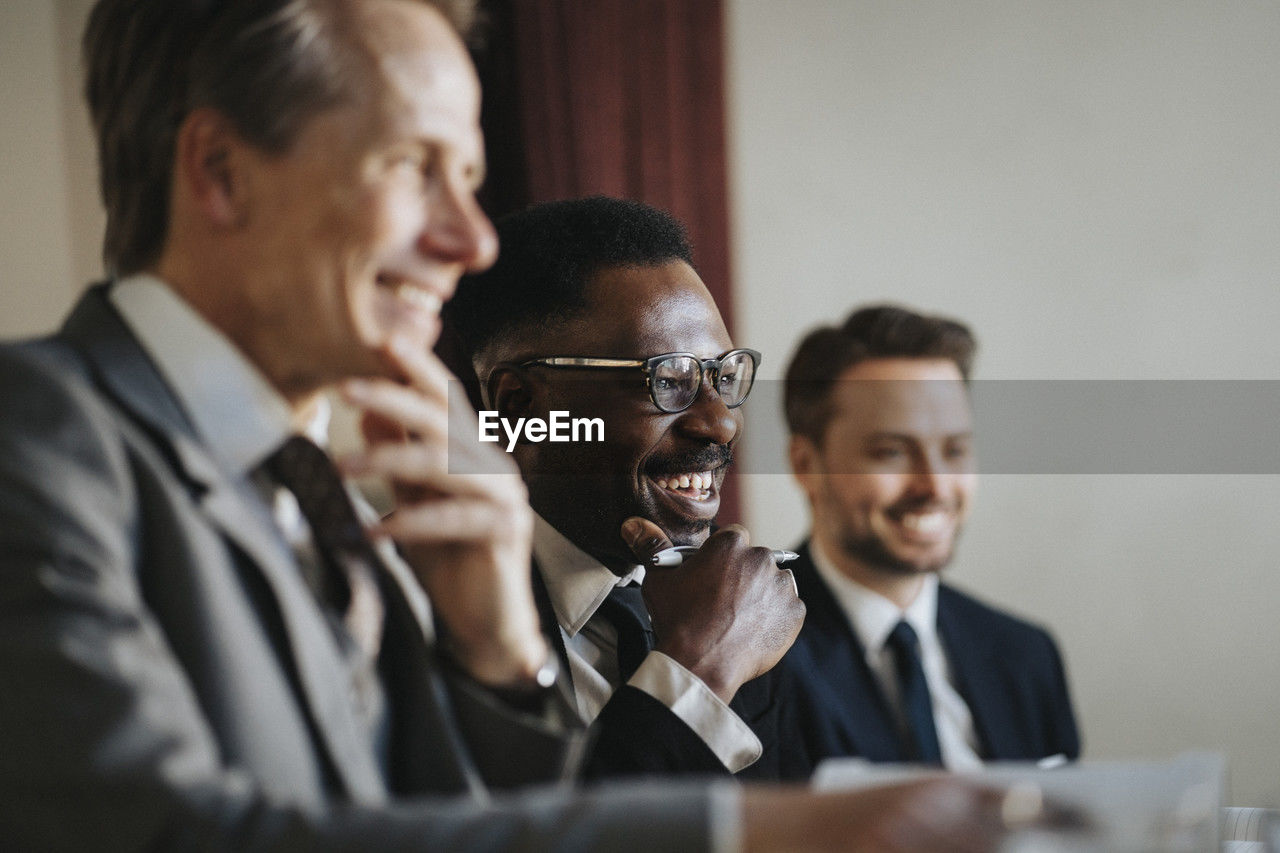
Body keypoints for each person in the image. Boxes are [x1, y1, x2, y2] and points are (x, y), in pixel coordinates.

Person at [0, 0, 1021, 848]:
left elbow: (439, 821)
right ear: (220, 170)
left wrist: (498, 657)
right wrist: (752, 829)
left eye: (472, 180)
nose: (468, 238)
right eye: (413, 166)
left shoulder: (334, 499)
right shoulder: (36, 436)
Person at [442, 196, 808, 781]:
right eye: (668, 379)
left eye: (724, 376)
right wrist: (695, 672)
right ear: (520, 405)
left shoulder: (747, 608)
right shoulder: (428, 613)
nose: (721, 422)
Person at [780, 304, 1081, 770]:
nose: (936, 486)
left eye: (954, 450)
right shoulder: (750, 658)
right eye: (892, 452)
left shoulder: (1026, 655)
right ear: (806, 464)